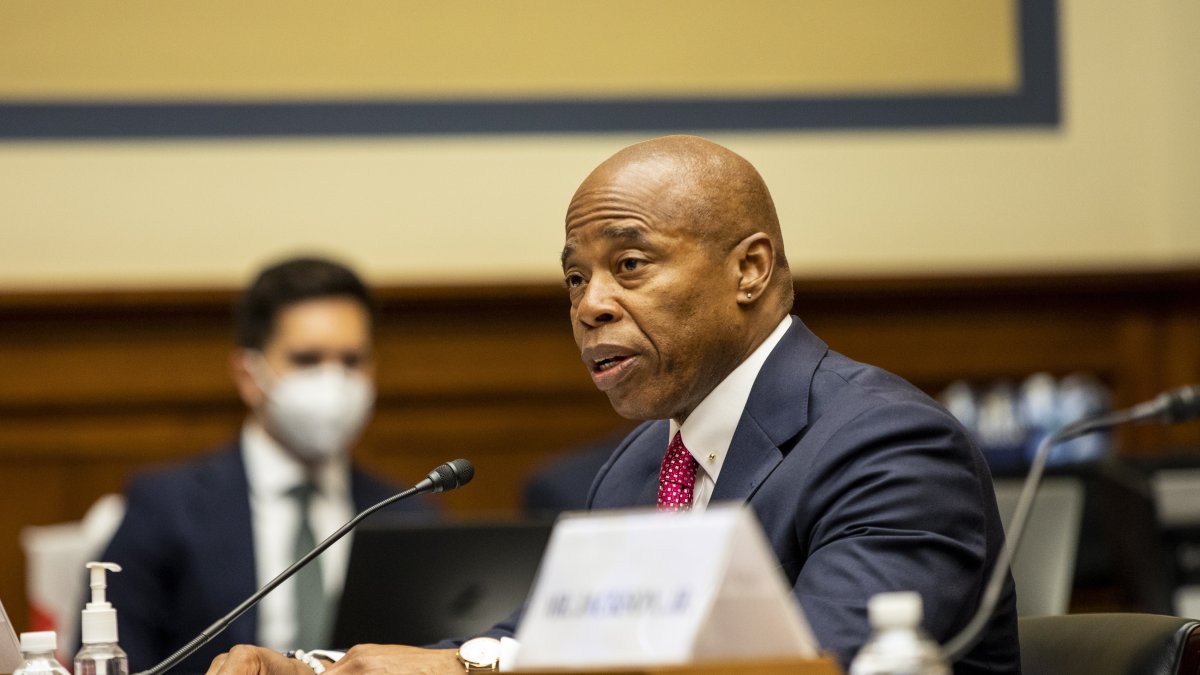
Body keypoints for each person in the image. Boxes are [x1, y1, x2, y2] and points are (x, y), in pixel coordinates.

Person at [207, 137, 1019, 674]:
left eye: (629, 265)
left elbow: (819, 660)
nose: (590, 304)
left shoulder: (888, 444)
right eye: (574, 277)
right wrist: (318, 666)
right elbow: (541, 641)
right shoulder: (641, 464)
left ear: (751, 269)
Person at [101, 256, 431, 673]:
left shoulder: (407, 511)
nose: (333, 382)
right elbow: (114, 655)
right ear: (247, 375)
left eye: (351, 361)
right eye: (307, 360)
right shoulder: (166, 507)